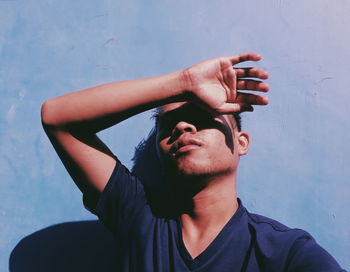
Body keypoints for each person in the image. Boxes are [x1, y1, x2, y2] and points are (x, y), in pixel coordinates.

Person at [41, 53, 346, 271]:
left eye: (201, 117)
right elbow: (58, 118)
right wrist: (183, 82)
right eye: (168, 125)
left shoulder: (284, 251)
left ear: (241, 143)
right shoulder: (141, 219)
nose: (183, 127)